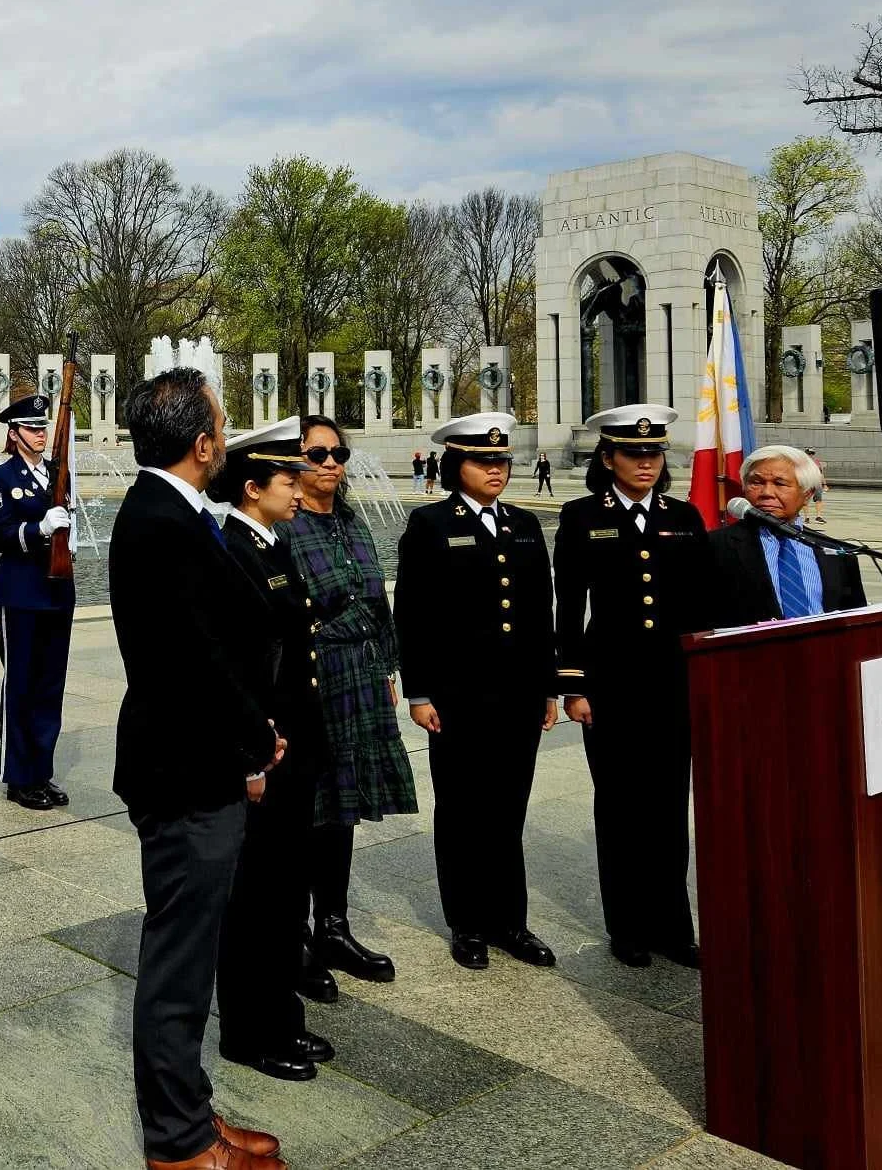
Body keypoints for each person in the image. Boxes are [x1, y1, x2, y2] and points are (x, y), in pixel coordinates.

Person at [110, 368, 286, 1170]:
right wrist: (257, 738)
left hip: (196, 758)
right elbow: (196, 662)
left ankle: (193, 1112)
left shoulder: (171, 512)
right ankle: (177, 1143)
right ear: (205, 442)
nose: (227, 438)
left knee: (190, 954)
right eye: (221, 425)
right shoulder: (160, 522)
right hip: (186, 768)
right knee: (179, 965)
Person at [394, 412, 559, 972]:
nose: (496, 470)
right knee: (464, 808)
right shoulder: (430, 524)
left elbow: (540, 612)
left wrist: (548, 686)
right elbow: (411, 614)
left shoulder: (524, 524)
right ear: (455, 465)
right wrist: (418, 691)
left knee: (508, 807)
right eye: (482, 461)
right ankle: (467, 922)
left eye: (502, 460)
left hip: (517, 694)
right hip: (458, 695)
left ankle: (509, 920)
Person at [555, 406, 707, 970]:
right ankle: (628, 927)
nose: (646, 462)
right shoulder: (580, 517)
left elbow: (699, 605)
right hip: (612, 684)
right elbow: (568, 608)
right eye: (634, 453)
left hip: (671, 683)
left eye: (654, 453)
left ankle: (673, 924)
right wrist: (572, 685)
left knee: (669, 806)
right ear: (608, 458)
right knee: (620, 807)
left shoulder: (685, 517)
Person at [279, 417, 415, 1002]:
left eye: (339, 453)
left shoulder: (352, 520)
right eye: (318, 453)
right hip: (317, 677)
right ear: (297, 462)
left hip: (361, 675)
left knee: (344, 806)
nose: (331, 463)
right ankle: (297, 938)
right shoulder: (287, 527)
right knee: (310, 805)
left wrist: (386, 665)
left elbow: (376, 600)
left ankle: (333, 925)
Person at [213, 417, 330, 1084]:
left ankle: (282, 1015)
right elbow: (238, 666)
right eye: (289, 477)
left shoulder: (273, 544)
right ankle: (247, 1031)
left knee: (286, 892)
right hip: (267, 752)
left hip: (296, 745)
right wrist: (250, 757)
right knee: (255, 896)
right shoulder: (234, 551)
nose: (302, 484)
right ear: (253, 487)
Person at [0, 393, 76, 811]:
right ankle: (18, 777)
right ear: (14, 433)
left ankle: (42, 771)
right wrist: (39, 527)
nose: (40, 434)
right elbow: (0, 535)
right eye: (32, 428)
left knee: (50, 685)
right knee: (20, 684)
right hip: (20, 589)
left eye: (43, 428)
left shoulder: (59, 474)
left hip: (57, 588)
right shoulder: (0, 478)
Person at [707, 444, 867, 627]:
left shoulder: (835, 552)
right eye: (756, 483)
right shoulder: (714, 546)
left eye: (780, 483)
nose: (767, 493)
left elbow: (855, 622)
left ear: (807, 494)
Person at [805, 448, 825, 524]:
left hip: (817, 482)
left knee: (818, 499)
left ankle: (818, 516)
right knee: (805, 501)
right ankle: (807, 517)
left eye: (812, 453)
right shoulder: (802, 462)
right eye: (809, 453)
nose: (811, 455)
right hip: (807, 483)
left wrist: (824, 484)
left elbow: (821, 473)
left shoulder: (817, 462)